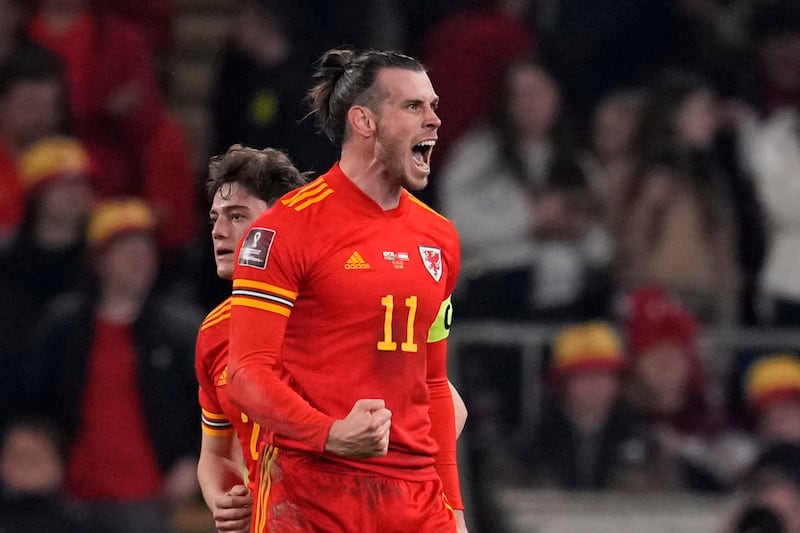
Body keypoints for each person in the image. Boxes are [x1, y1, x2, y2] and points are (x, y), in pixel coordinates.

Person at [226, 47, 467, 532]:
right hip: (313, 491)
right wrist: (329, 434)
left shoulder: (439, 238)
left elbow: (435, 385)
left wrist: (454, 510)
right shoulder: (287, 229)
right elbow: (248, 373)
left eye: (434, 105)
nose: (435, 120)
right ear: (364, 121)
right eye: (414, 106)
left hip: (417, 501)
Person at [29, 198, 202, 533]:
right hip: (70, 494)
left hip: (148, 497)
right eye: (125, 248)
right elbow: (34, 398)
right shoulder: (63, 326)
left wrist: (191, 459)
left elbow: (214, 403)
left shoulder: (180, 330)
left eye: (145, 246)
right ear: (99, 260)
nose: (139, 258)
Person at [195, 145, 309, 532]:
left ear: (283, 224)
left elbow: (444, 404)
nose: (218, 231)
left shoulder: (336, 309)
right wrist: (224, 500)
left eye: (237, 216)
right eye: (214, 218)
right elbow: (215, 454)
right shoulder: (214, 332)